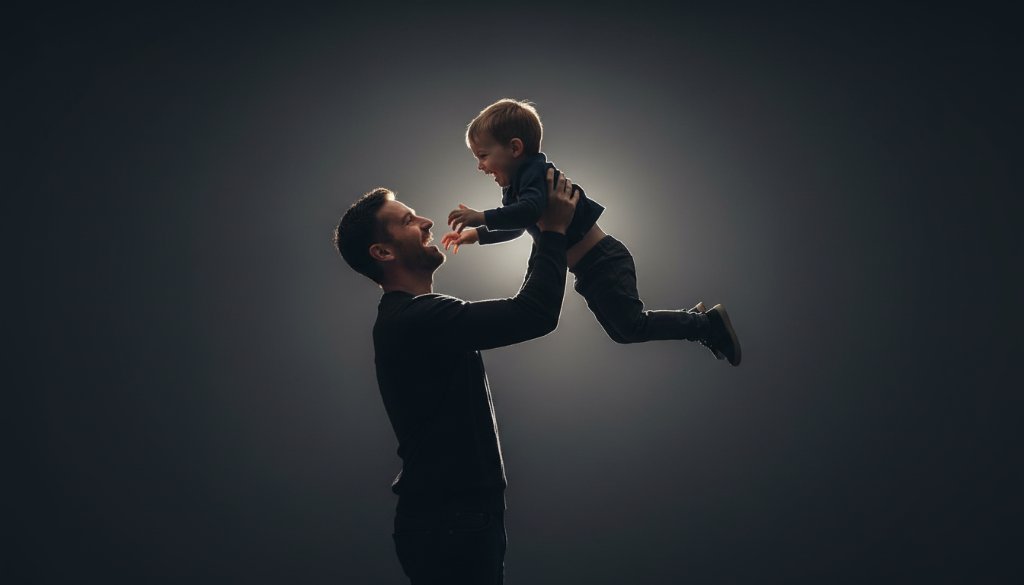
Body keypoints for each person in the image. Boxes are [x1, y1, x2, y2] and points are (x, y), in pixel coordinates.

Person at [333, 169, 579, 584]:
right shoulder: (417, 318)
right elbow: (534, 314)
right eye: (408, 221)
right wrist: (552, 230)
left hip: (450, 520)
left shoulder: (416, 317)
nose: (427, 222)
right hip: (449, 522)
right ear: (383, 252)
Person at [443, 98, 742, 365]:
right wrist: (479, 234)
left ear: (515, 148)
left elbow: (529, 212)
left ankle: (705, 324)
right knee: (623, 332)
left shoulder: (535, 173)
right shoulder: (516, 190)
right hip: (590, 270)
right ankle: (696, 320)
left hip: (604, 261)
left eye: (482, 156)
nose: (480, 167)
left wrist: (480, 216)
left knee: (631, 326)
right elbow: (518, 225)